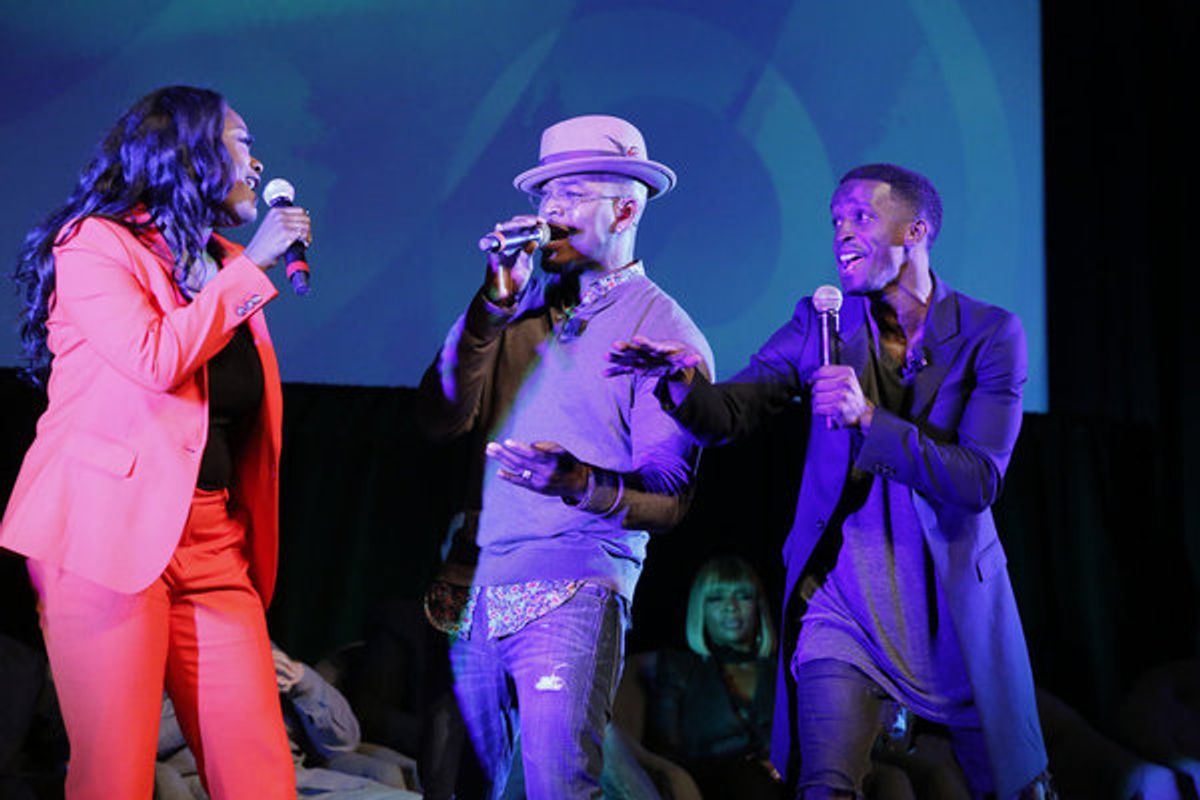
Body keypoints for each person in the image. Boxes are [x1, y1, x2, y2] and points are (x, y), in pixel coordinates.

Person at [607, 164, 1052, 798]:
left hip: (948, 603)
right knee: (825, 785)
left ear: (915, 231)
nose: (842, 232)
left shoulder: (989, 333)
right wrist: (681, 382)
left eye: (861, 217)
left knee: (1012, 785)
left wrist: (869, 419)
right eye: (836, 220)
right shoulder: (822, 327)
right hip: (843, 601)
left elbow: (978, 480)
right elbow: (732, 411)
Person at [0, 85, 312, 799]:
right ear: (189, 153)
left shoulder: (221, 261)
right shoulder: (93, 244)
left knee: (260, 775)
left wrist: (241, 269)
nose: (257, 164)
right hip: (103, 534)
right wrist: (252, 268)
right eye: (241, 142)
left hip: (212, 540)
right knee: (115, 775)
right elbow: (153, 358)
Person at [415, 114, 714, 799]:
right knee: (453, 787)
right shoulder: (511, 309)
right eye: (544, 195)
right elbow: (438, 418)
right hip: (472, 585)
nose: (550, 211)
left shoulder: (665, 330)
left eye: (572, 194)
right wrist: (490, 304)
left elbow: (671, 499)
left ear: (626, 210)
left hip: (575, 587)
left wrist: (579, 481)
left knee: (558, 786)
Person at [154, 643, 420, 800]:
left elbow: (345, 740)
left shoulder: (253, 644)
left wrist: (303, 682)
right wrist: (216, 691)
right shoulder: (155, 660)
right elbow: (146, 741)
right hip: (220, 788)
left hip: (303, 783)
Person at [645, 555, 784, 800]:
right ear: (700, 609)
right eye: (716, 598)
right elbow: (665, 751)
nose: (731, 606)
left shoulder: (784, 670)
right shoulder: (679, 668)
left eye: (743, 596)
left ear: (758, 606)